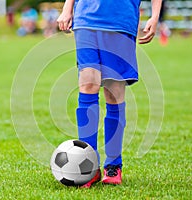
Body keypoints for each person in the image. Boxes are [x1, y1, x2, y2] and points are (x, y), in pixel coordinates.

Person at [57, 0, 162, 188]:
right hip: (86, 20)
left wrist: (155, 16)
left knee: (113, 93)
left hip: (120, 21)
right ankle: (88, 166)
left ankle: (113, 164)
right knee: (88, 83)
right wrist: (67, 8)